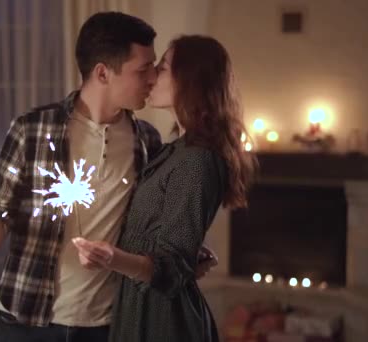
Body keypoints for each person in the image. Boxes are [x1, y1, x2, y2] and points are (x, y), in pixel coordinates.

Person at [0, 12, 218, 342]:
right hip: (25, 319)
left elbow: (152, 221)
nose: (153, 77)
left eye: (155, 67)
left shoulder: (148, 141)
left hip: (107, 326)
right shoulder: (32, 129)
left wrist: (189, 250)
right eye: (143, 69)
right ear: (102, 73)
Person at [72, 35, 257, 342]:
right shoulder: (174, 150)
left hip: (161, 319)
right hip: (137, 307)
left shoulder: (196, 160)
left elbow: (169, 269)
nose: (153, 74)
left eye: (163, 67)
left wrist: (112, 258)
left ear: (191, 80)